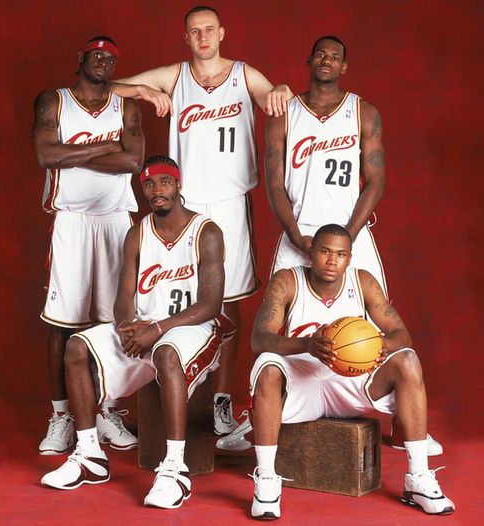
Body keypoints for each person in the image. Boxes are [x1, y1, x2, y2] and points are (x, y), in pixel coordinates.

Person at [218, 35, 440, 454]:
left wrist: (349, 236)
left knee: (376, 323)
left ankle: (406, 424)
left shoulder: (363, 112)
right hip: (299, 231)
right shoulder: (285, 114)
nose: (327, 60)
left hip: (350, 233)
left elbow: (376, 180)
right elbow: (274, 182)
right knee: (280, 324)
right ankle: (264, 413)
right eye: (321, 54)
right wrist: (293, 234)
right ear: (309, 60)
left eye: (335, 57)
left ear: (344, 67)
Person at [109, 5, 292, 435]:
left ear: (222, 33)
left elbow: (274, 97)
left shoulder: (244, 75)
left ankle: (221, 401)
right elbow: (109, 88)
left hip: (229, 201)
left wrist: (282, 88)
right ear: (186, 38)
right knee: (166, 294)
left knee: (228, 303)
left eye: (209, 29)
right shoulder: (175, 76)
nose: (203, 37)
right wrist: (144, 91)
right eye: (195, 31)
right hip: (184, 204)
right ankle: (171, 397)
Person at [41, 156, 233, 509]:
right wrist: (126, 328)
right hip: (146, 325)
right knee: (78, 347)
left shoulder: (207, 232)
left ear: (178, 185)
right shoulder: (137, 233)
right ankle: (89, 455)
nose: (157, 190)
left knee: (166, 352)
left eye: (165, 182)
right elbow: (123, 297)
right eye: (148, 184)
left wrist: (157, 329)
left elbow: (211, 304)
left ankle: (175, 469)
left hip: (194, 327)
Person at [248, 224, 454, 519]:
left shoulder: (363, 282)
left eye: (340, 254)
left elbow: (402, 335)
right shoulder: (287, 281)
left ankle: (418, 477)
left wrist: (381, 346)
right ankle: (267, 478)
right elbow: (259, 339)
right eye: (325, 251)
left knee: (407, 359)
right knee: (267, 364)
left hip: (352, 382)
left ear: (349, 257)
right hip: (302, 381)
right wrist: (307, 344)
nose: (332, 260)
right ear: (311, 252)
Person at [32, 36, 145, 455]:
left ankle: (105, 410)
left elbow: (132, 161)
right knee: (64, 322)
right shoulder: (54, 101)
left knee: (114, 320)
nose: (103, 61)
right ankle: (61, 415)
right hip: (72, 220)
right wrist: (105, 147)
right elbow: (45, 154)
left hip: (115, 220)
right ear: (81, 58)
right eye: (97, 54)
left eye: (111, 58)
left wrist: (72, 152)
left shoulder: (126, 107)